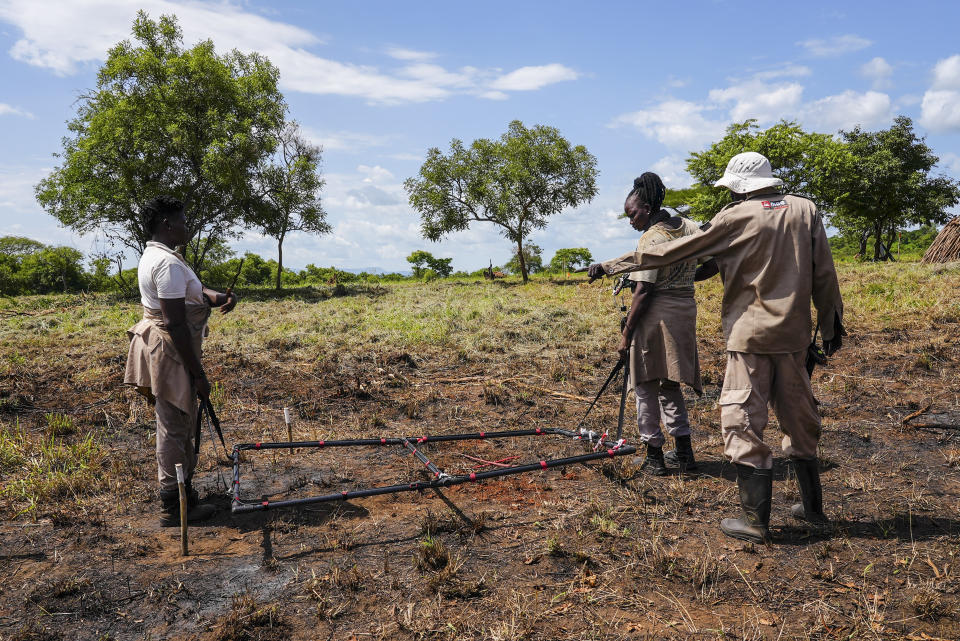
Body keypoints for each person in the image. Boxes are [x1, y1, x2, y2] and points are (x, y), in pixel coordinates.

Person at [589, 152, 845, 543]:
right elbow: (824, 273)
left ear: (738, 186)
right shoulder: (805, 210)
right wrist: (830, 327)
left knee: (742, 420)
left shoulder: (734, 217)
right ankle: (813, 511)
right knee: (799, 417)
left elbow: (669, 253)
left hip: (749, 338)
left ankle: (755, 521)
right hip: (795, 338)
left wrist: (610, 265)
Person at [124, 195, 238, 526]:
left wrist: (221, 298)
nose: (187, 228)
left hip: (165, 344)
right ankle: (174, 508)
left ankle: (182, 494)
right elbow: (175, 323)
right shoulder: (168, 264)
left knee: (177, 423)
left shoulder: (159, 256)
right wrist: (197, 373)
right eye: (183, 221)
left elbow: (195, 293)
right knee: (174, 427)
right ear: (167, 225)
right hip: (171, 348)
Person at [593, 173, 716, 476]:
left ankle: (654, 457)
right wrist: (685, 281)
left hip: (655, 317)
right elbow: (714, 263)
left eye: (632, 214)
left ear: (646, 208)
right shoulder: (689, 227)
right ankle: (684, 455)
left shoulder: (651, 238)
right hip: (685, 312)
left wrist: (625, 337)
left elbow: (643, 291)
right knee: (670, 384)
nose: (630, 220)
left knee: (645, 385)